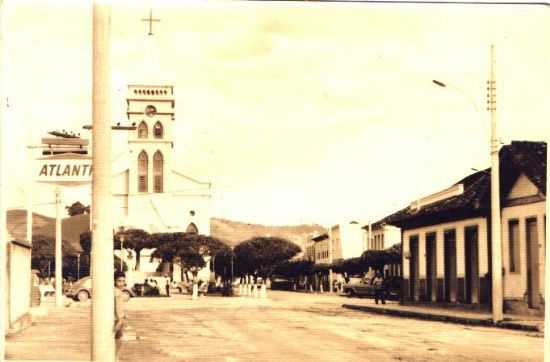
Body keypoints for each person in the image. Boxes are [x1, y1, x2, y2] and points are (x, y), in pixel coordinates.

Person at [114, 271, 127, 340]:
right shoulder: (118, 292)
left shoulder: (114, 290)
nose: (121, 284)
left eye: (123, 281)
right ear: (114, 281)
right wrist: (120, 320)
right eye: (119, 281)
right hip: (117, 321)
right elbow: (118, 308)